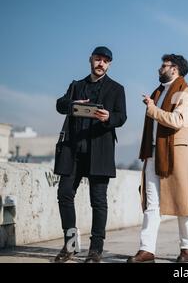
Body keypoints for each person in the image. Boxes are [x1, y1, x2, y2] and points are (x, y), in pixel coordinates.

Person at [54, 46, 127, 263]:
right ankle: (70, 245)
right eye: (98, 59)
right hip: (73, 150)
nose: (101, 63)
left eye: (105, 61)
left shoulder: (116, 89)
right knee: (65, 194)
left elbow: (121, 117)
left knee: (98, 201)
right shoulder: (76, 86)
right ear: (91, 60)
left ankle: (96, 249)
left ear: (109, 64)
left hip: (100, 151)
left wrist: (108, 118)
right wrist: (72, 104)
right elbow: (60, 105)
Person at [127, 54, 188, 263]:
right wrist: (153, 105)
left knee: (183, 203)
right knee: (151, 203)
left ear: (174, 69)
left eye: (163, 65)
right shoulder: (158, 93)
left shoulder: (186, 93)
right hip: (153, 152)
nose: (160, 68)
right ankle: (146, 250)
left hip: (176, 153)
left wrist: (152, 109)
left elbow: (178, 120)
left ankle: (187, 249)